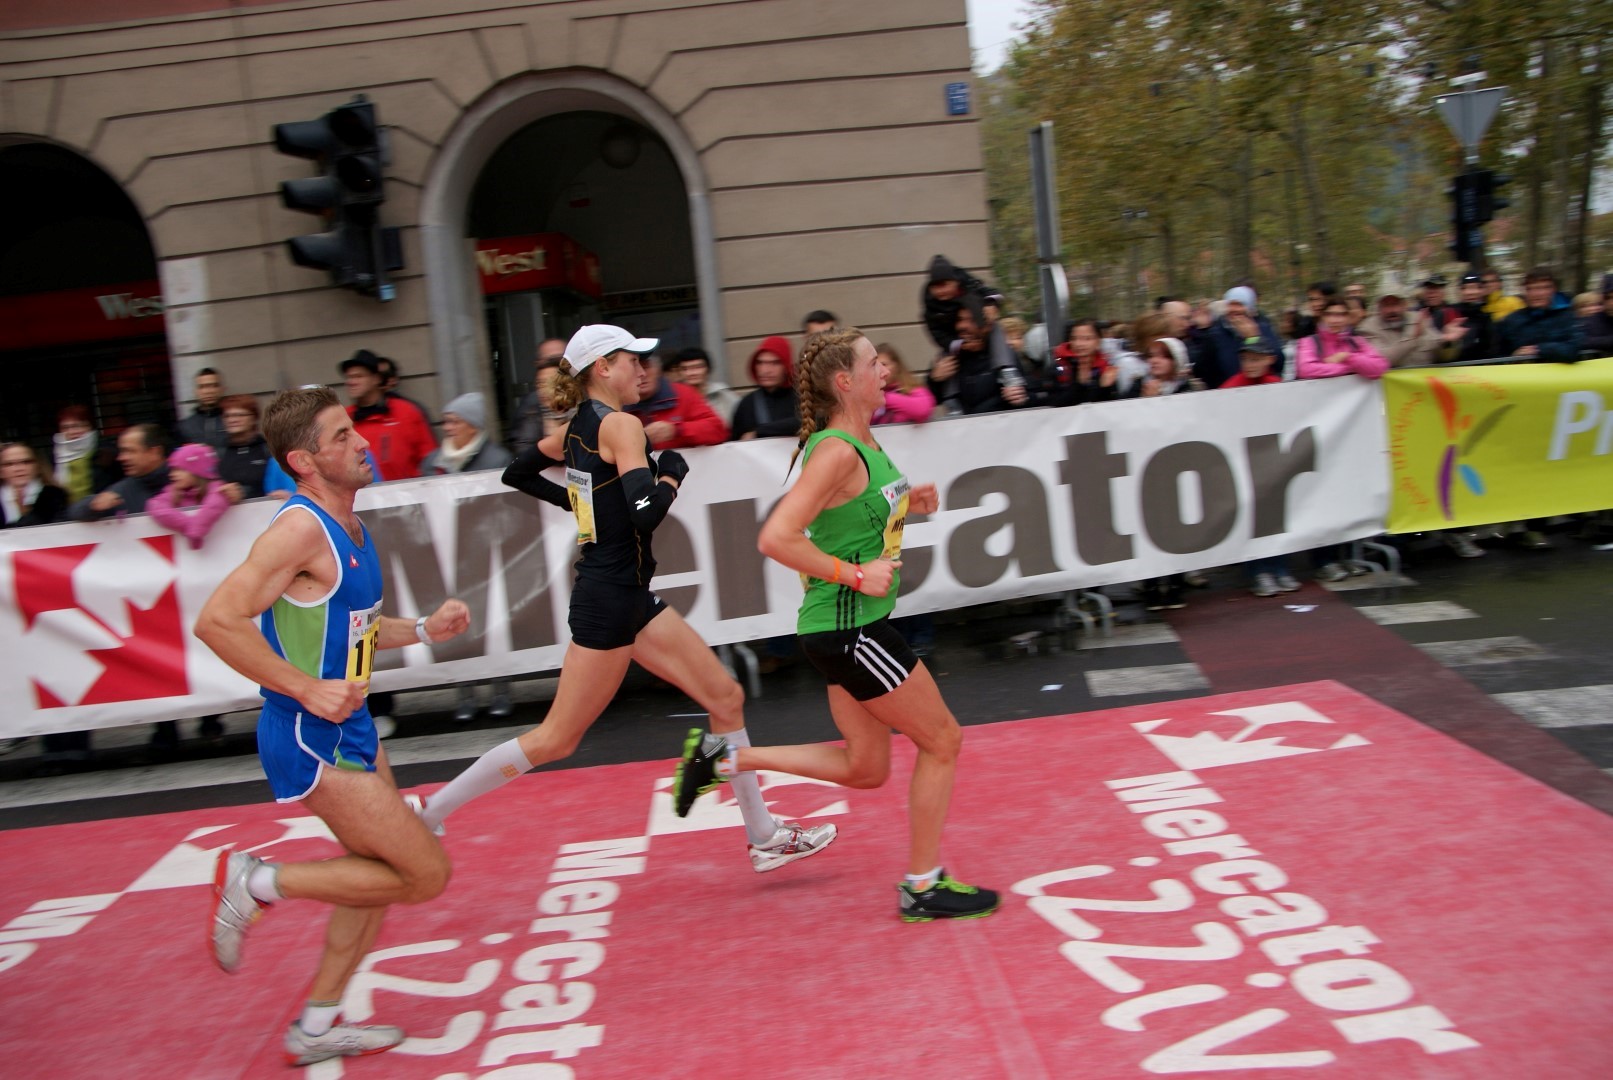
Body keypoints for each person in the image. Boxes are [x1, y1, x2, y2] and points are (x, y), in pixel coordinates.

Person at [421, 325, 834, 873]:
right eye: (631, 360)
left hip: (628, 596)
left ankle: (763, 835)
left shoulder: (578, 427)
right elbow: (645, 513)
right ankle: (429, 813)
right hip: (611, 602)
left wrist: (580, 504)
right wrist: (672, 476)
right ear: (602, 368)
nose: (643, 369)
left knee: (725, 696)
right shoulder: (620, 425)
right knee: (555, 739)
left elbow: (518, 472)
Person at [671, 328, 999, 922]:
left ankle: (724, 761)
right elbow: (776, 537)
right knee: (943, 741)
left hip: (845, 629)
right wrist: (855, 575)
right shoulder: (836, 451)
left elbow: (850, 518)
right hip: (853, 630)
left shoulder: (864, 440)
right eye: (874, 363)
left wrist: (908, 505)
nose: (885, 369)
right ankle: (923, 886)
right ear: (845, 381)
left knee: (865, 769)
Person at [194, 385, 469, 1068]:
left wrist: (424, 629)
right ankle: (257, 882)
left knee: (377, 876)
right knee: (424, 874)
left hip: (352, 728)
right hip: (306, 734)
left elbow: (356, 629)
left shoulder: (349, 525)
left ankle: (316, 1026)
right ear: (304, 460)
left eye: (354, 430)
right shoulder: (298, 530)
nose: (362, 442)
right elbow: (216, 621)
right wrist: (304, 687)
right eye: (342, 436)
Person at [422, 392, 516, 722]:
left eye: (455, 421)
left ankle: (500, 690)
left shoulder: (497, 458)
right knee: (455, 623)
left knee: (492, 623)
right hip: (449, 556)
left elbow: (507, 506)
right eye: (446, 421)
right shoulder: (433, 461)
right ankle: (465, 692)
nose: (447, 427)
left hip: (485, 554)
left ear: (473, 425)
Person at [1217, 341, 1300, 596]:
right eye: (1246, 359)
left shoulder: (1276, 385)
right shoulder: (1232, 387)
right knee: (1252, 518)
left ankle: (1279, 567)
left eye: (1255, 359)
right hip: (1244, 460)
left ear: (1269, 360)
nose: (1249, 364)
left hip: (1271, 459)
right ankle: (1258, 572)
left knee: (1275, 516)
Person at [341, 350, 436, 480]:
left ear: (376, 379)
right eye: (348, 377)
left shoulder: (406, 412)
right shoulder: (343, 419)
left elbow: (430, 461)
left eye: (358, 376)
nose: (351, 382)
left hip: (407, 491)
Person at [67, 423, 170, 520]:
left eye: (129, 451)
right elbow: (76, 511)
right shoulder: (124, 489)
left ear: (154, 452)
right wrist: (92, 505)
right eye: (122, 452)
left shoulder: (179, 481)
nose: (121, 458)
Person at [627, 351, 729, 448]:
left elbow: (718, 430)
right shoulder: (620, 403)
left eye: (646, 367)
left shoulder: (682, 393)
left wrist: (677, 430)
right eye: (633, 369)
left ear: (658, 370)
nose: (641, 374)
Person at [148, 443, 238, 549]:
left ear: (197, 471)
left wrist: (197, 530)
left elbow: (214, 506)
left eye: (179, 469)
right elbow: (155, 505)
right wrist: (189, 526)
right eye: (172, 470)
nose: (172, 474)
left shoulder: (219, 490)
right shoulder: (173, 492)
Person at [1195, 286, 1286, 387]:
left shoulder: (1264, 328)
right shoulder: (1214, 334)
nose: (1234, 309)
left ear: (1250, 308)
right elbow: (1201, 370)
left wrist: (1254, 337)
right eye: (1231, 304)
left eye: (1239, 305)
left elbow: (1279, 363)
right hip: (1227, 390)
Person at [1497, 266, 1584, 363]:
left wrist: (1539, 349)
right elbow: (1498, 355)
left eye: (1542, 288)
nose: (1536, 294)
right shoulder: (1512, 320)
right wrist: (1513, 358)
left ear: (1554, 289)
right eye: (1530, 289)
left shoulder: (1568, 316)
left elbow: (1575, 348)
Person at [1295, 297, 1390, 381]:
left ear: (1348, 317)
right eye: (1329, 314)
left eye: (1341, 315)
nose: (1335, 320)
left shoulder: (1357, 341)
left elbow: (1380, 368)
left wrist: (1347, 356)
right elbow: (1305, 370)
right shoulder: (1309, 342)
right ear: (1322, 317)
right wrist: (1352, 368)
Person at [729, 336, 801, 439]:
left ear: (786, 366)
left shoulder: (802, 396)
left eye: (775, 363)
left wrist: (758, 432)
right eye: (760, 363)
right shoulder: (747, 404)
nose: (765, 370)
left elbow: (804, 421)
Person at [510, 338, 571, 451]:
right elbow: (523, 451)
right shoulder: (532, 412)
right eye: (539, 384)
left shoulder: (585, 410)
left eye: (550, 383)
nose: (543, 390)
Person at [52, 405, 118, 504]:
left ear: (89, 426)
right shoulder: (56, 455)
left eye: (77, 426)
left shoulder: (106, 451)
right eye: (65, 427)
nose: (71, 432)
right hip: (68, 511)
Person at [1357, 293, 1444, 368]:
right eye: (1386, 305)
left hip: (1427, 379)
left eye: (1395, 304)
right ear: (1379, 309)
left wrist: (1447, 343)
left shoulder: (1420, 318)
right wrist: (1413, 339)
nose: (1391, 310)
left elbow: (1441, 354)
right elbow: (1380, 360)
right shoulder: (1368, 327)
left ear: (1405, 306)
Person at [670, 345, 742, 426]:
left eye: (697, 367)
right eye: (685, 369)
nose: (692, 373)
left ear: (708, 369)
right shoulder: (673, 399)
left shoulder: (723, 395)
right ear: (679, 372)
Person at [1, 442, 69, 528]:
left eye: (26, 462)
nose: (18, 469)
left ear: (38, 466)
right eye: (9, 464)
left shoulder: (55, 495)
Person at [216, 395, 272, 499]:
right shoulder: (219, 452)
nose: (232, 420)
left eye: (239, 415)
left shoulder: (268, 449)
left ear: (254, 418)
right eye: (227, 416)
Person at [872, 343, 935, 425]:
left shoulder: (913, 390)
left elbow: (922, 410)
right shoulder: (870, 395)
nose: (880, 370)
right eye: (874, 366)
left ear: (897, 366)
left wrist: (883, 397)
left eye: (884, 364)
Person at [177, 368, 227, 447]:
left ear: (222, 389)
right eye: (202, 387)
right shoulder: (186, 426)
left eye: (214, 386)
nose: (208, 391)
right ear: (196, 391)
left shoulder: (233, 420)